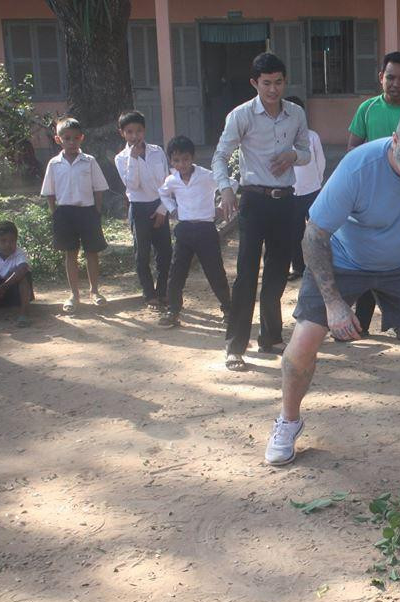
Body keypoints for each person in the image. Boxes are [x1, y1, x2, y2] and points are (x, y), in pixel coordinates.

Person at [265, 107, 400, 466]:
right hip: (344, 261)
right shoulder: (358, 167)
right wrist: (333, 303)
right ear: (395, 143)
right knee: (304, 340)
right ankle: (287, 422)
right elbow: (314, 235)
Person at [212, 52, 312, 372]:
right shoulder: (241, 115)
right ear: (255, 83)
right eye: (266, 83)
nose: (273, 89)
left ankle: (270, 337)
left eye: (278, 82)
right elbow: (220, 156)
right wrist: (226, 188)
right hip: (253, 201)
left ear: (285, 81)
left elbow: (307, 153)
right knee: (246, 274)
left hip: (286, 201)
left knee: (278, 271)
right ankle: (235, 346)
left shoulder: (295, 113)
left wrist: (292, 156)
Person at [347, 52, 400, 341]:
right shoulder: (366, 109)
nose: (396, 83)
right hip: (370, 198)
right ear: (381, 77)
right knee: (366, 257)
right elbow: (353, 151)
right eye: (390, 77)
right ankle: (359, 322)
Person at [157, 136, 234, 329]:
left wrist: (220, 206)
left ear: (192, 157)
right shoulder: (172, 180)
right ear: (171, 161)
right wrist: (171, 208)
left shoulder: (206, 175)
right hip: (184, 230)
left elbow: (231, 184)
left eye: (185, 159)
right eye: (176, 160)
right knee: (176, 273)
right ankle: (173, 310)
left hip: (206, 230)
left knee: (215, 272)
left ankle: (228, 308)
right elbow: (163, 193)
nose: (181, 164)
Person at [40, 117, 110, 315]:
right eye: (67, 138)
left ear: (82, 138)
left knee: (92, 253)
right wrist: (55, 213)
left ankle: (94, 291)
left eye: (76, 138)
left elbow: (99, 188)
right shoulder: (54, 164)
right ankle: (74, 294)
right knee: (70, 253)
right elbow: (50, 193)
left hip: (87, 212)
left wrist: (96, 210)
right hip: (64, 213)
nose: (72, 142)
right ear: (58, 139)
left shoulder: (89, 162)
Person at [115, 110, 172, 309]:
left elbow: (167, 182)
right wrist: (133, 158)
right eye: (129, 132)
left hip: (159, 204)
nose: (135, 136)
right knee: (142, 253)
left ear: (144, 131)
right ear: (122, 133)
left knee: (165, 251)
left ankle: (163, 291)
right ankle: (149, 294)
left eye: (138, 131)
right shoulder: (121, 158)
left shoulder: (157, 151)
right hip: (139, 208)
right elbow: (132, 185)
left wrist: (163, 209)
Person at [286, 96, 326, 282]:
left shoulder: (312, 136)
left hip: (313, 191)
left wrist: (317, 182)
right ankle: (299, 267)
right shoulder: (282, 138)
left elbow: (320, 162)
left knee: (317, 231)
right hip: (291, 194)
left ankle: (322, 266)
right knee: (294, 233)